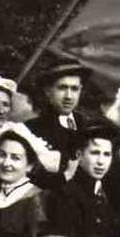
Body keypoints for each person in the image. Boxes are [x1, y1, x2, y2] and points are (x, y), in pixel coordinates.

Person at [25, 58, 95, 186]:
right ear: (48, 91)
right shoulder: (31, 130)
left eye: (74, 89)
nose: (69, 96)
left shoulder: (90, 126)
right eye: (62, 88)